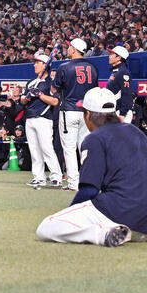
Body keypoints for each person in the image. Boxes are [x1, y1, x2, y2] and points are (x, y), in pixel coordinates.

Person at [36, 88, 147, 246]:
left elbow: (89, 190)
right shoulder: (136, 132)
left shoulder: (95, 139)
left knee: (46, 227)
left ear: (88, 115)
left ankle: (103, 233)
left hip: (118, 213)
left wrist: (69, 214)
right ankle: (124, 232)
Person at [52, 37, 99, 191]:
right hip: (86, 112)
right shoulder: (93, 68)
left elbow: (54, 90)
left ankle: (73, 183)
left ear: (74, 49)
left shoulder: (64, 67)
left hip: (69, 111)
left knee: (70, 149)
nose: (68, 49)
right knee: (84, 147)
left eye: (69, 47)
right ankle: (88, 181)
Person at [22, 52, 62, 188]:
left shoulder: (51, 83)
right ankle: (39, 177)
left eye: (37, 62)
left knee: (47, 148)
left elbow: (55, 101)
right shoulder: (31, 82)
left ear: (45, 65)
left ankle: (56, 176)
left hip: (44, 118)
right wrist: (27, 96)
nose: (34, 65)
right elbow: (22, 100)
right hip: (30, 118)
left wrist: (39, 94)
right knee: (34, 150)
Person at [106, 45, 135, 123]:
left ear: (119, 58)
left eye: (112, 54)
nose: (109, 56)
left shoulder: (123, 72)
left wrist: (122, 113)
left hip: (121, 113)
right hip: (115, 111)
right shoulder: (116, 71)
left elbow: (127, 94)